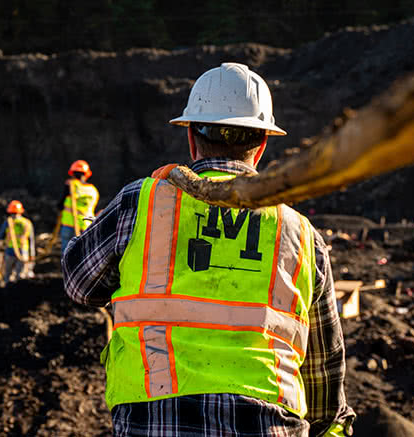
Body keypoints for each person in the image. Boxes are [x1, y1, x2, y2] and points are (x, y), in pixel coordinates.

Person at [62, 63, 355, 437]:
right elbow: (325, 369)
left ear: (191, 138)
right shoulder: (300, 232)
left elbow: (78, 284)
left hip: (155, 421)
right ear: (262, 144)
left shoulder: (142, 202)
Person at [59, 159, 99, 253]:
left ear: (72, 173)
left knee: (67, 254)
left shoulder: (71, 185)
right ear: (86, 174)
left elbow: (60, 204)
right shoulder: (93, 190)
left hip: (69, 225)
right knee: (83, 254)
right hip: (86, 225)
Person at [0, 200, 35, 284]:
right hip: (23, 251)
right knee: (20, 275)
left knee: (7, 273)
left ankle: (6, 288)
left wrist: (0, 245)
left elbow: (0, 235)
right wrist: (32, 254)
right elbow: (31, 240)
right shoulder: (27, 223)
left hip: (10, 250)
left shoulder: (8, 222)